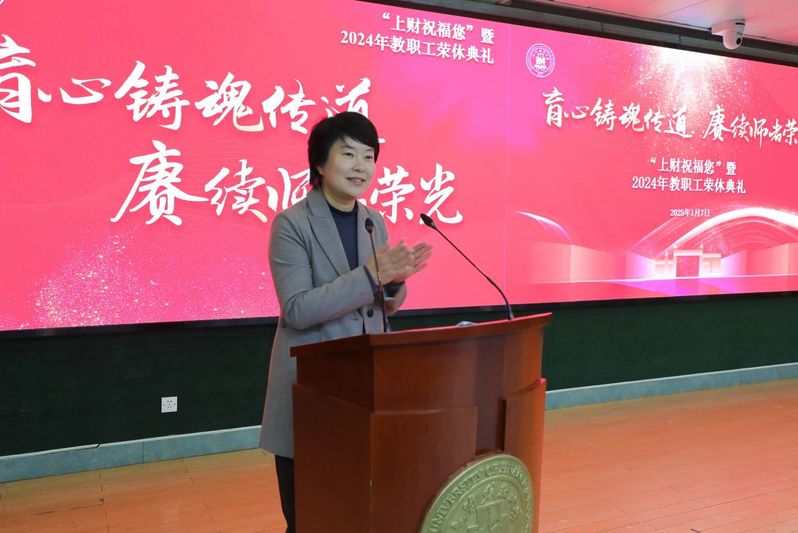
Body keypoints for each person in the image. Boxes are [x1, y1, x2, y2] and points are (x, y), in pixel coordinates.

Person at [258, 111, 432, 532]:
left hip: (366, 390)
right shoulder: (292, 224)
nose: (361, 167)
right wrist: (373, 275)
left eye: (369, 157)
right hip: (313, 391)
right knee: (310, 518)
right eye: (349, 154)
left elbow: (380, 305)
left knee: (359, 513)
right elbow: (298, 309)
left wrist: (394, 283)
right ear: (320, 162)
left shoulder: (373, 221)